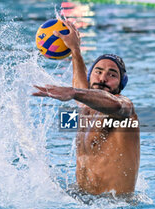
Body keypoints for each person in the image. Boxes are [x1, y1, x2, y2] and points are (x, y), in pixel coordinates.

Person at [32, 20, 140, 196]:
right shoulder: (88, 108)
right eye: (98, 71)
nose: (103, 78)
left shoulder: (125, 109)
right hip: (83, 202)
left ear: (121, 84)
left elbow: (117, 105)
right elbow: (83, 94)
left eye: (112, 74)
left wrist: (73, 92)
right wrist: (75, 50)